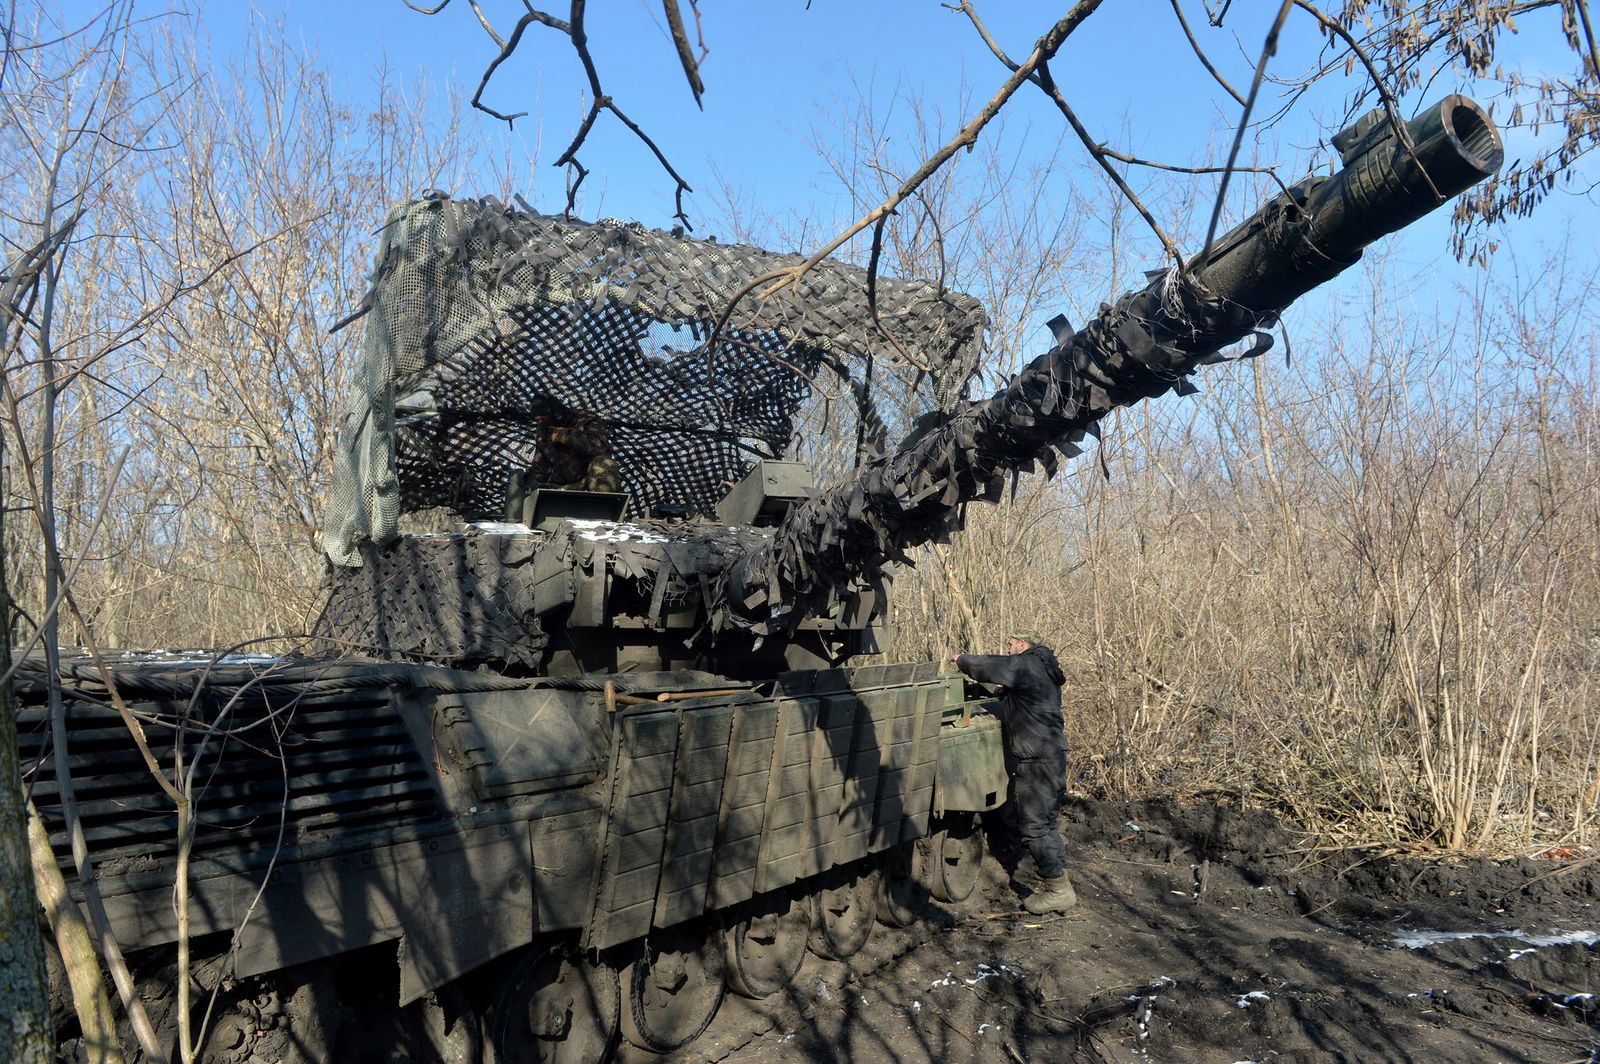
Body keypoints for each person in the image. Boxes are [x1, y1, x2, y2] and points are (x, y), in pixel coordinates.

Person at [950, 630, 1077, 914]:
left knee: (1034, 827)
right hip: (1052, 755)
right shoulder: (1043, 668)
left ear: (1022, 644)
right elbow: (1024, 697)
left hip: (1038, 760)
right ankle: (1058, 879)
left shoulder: (1026, 664)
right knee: (1045, 823)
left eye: (1010, 645)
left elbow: (992, 666)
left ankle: (1058, 890)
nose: (1008, 649)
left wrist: (962, 660)